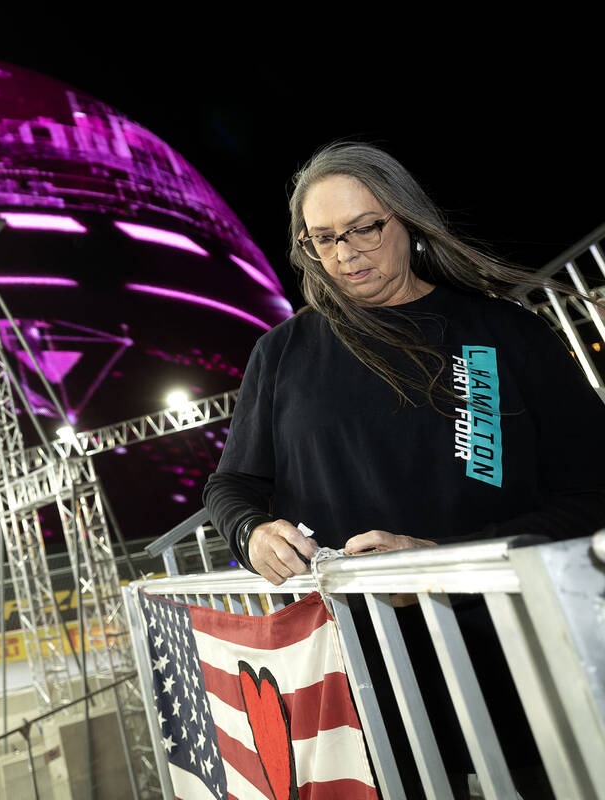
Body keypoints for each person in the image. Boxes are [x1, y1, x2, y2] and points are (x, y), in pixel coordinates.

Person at [202, 141, 605, 799]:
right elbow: (233, 485)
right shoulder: (282, 353)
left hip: (515, 664)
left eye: (366, 228)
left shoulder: (504, 333)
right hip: (358, 684)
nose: (346, 254)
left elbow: (592, 492)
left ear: (409, 221)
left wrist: (442, 561)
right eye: (322, 239)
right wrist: (251, 533)